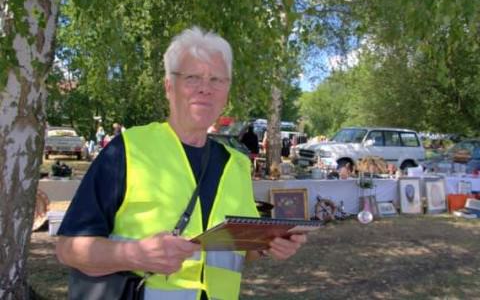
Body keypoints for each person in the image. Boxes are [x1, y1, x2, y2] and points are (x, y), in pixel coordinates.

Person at [55, 26, 306, 299]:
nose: (204, 89)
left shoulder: (236, 163)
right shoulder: (128, 149)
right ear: (168, 86)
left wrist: (270, 245)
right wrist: (134, 254)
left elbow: (242, 251)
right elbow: (68, 249)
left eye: (216, 80)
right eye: (192, 77)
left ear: (227, 91)